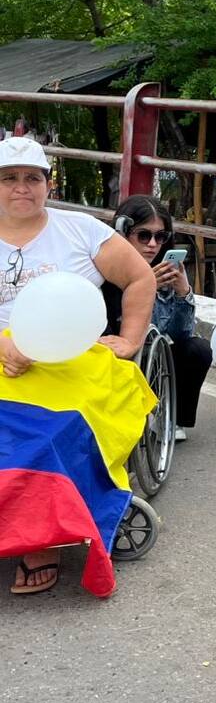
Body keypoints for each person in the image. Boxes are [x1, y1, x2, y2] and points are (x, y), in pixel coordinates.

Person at [0, 137, 155, 594]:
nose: (21, 188)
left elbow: (140, 277)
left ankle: (40, 540)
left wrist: (129, 339)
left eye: (32, 178)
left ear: (48, 184)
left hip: (70, 357)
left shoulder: (80, 231)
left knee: (48, 435)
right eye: (9, 178)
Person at [107, 196, 213, 443]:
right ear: (124, 233)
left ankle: (172, 417)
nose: (152, 244)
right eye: (143, 236)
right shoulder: (107, 268)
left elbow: (180, 334)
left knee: (197, 348)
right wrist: (142, 286)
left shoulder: (164, 269)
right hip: (116, 349)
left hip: (153, 350)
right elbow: (117, 323)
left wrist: (183, 293)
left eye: (160, 237)